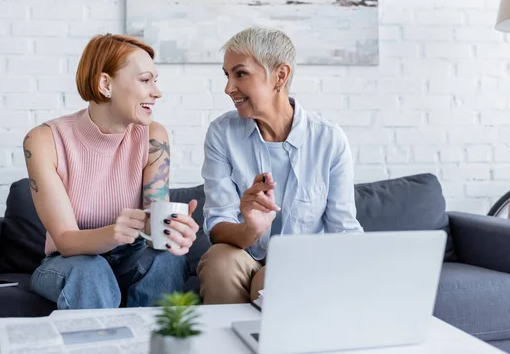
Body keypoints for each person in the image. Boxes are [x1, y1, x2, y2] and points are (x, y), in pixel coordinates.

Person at [23, 33, 200, 310]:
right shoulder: (44, 140)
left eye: (155, 81)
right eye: (145, 80)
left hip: (132, 255)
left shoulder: (154, 137)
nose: (156, 92)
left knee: (168, 259)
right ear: (106, 84)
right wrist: (112, 233)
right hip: (70, 262)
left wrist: (174, 232)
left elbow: (156, 224)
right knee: (91, 270)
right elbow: (66, 241)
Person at [197, 27, 364, 304]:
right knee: (219, 262)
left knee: (270, 278)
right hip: (242, 255)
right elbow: (217, 224)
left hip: (305, 264)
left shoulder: (328, 139)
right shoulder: (222, 133)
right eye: (227, 76)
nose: (228, 88)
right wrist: (250, 228)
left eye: (240, 74)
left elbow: (343, 228)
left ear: (280, 76)